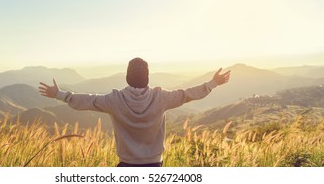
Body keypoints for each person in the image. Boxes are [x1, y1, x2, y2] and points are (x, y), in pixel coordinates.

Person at [39, 58, 230, 167]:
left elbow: (88, 100)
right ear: (147, 78)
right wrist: (213, 83)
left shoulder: (114, 100)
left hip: (126, 166)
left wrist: (60, 94)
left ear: (127, 77)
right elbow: (187, 94)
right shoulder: (161, 97)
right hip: (155, 165)